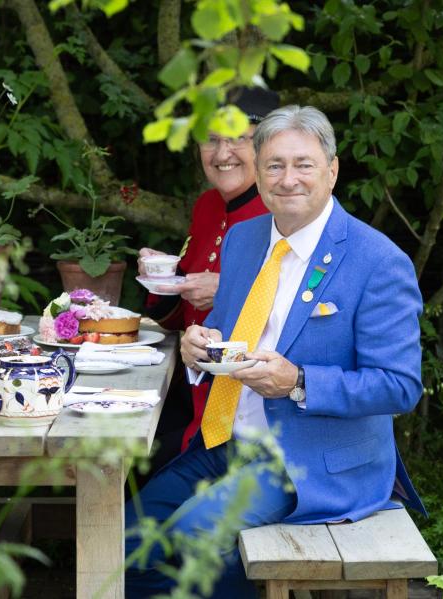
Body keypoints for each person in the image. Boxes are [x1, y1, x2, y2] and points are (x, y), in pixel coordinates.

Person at [125, 105, 426, 598]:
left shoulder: (378, 261)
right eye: (274, 166)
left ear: (332, 170)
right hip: (226, 442)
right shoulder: (244, 240)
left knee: (195, 540)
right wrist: (198, 346)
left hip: (311, 462)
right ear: (259, 172)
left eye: (303, 164)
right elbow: (227, 332)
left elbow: (400, 386)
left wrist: (300, 381)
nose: (288, 180)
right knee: (124, 543)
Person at [139, 86, 280, 467]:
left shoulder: (282, 213)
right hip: (185, 388)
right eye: (211, 139)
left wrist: (227, 292)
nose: (222, 154)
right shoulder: (207, 205)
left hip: (237, 410)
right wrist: (165, 278)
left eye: (237, 139)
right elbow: (172, 319)